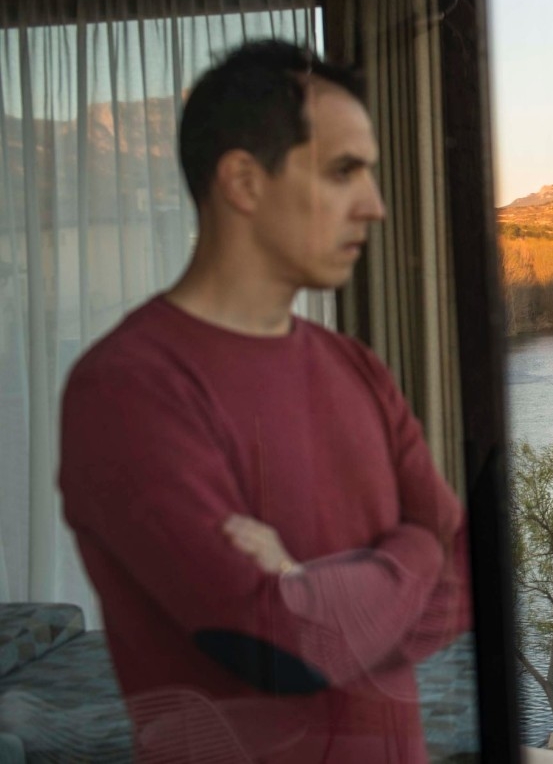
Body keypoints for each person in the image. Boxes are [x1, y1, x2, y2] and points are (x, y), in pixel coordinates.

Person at [58, 40, 471, 763]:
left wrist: (313, 586)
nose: (374, 206)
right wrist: (410, 553)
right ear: (245, 183)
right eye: (344, 171)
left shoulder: (357, 367)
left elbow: (465, 574)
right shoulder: (126, 389)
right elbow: (280, 644)